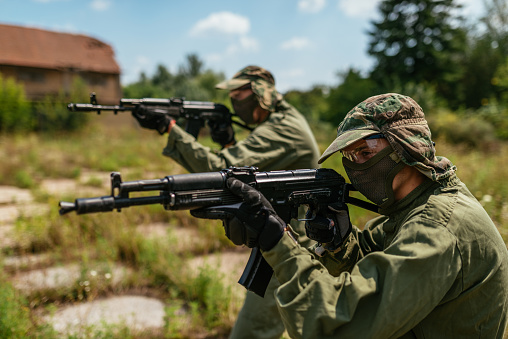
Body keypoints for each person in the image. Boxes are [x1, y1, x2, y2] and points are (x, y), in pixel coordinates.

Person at [195, 93, 508, 338]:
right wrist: (338, 242)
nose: (356, 166)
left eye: (365, 153)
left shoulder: (438, 228)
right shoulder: (411, 206)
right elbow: (374, 266)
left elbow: (339, 324)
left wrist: (277, 240)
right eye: (348, 157)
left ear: (405, 148)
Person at [132, 65, 320, 338]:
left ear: (261, 94)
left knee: (251, 332)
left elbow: (221, 170)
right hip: (286, 238)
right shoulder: (281, 121)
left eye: (240, 93)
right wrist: (230, 142)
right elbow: (255, 174)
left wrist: (170, 128)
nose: (234, 99)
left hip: (293, 247)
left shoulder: (284, 128)